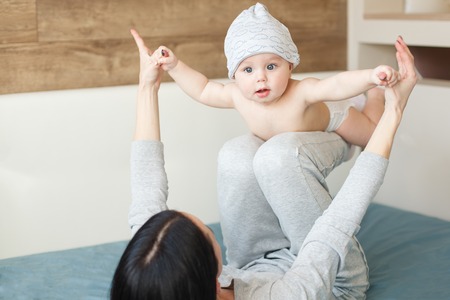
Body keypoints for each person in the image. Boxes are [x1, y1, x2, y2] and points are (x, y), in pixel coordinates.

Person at [110, 27, 417, 299]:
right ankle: (374, 101)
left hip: (253, 262)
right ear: (213, 282)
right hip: (335, 281)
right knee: (279, 155)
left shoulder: (155, 280)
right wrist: (394, 108)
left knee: (237, 155)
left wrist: (147, 85)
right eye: (203, 231)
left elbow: (147, 183)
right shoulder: (286, 295)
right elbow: (339, 219)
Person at [154, 3, 398, 148]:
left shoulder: (301, 91)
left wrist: (372, 77)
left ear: (290, 66)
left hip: (333, 115)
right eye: (248, 70)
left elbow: (336, 85)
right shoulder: (237, 95)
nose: (261, 78)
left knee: (370, 139)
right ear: (234, 75)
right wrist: (174, 66)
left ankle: (374, 97)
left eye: (271, 67)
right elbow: (203, 89)